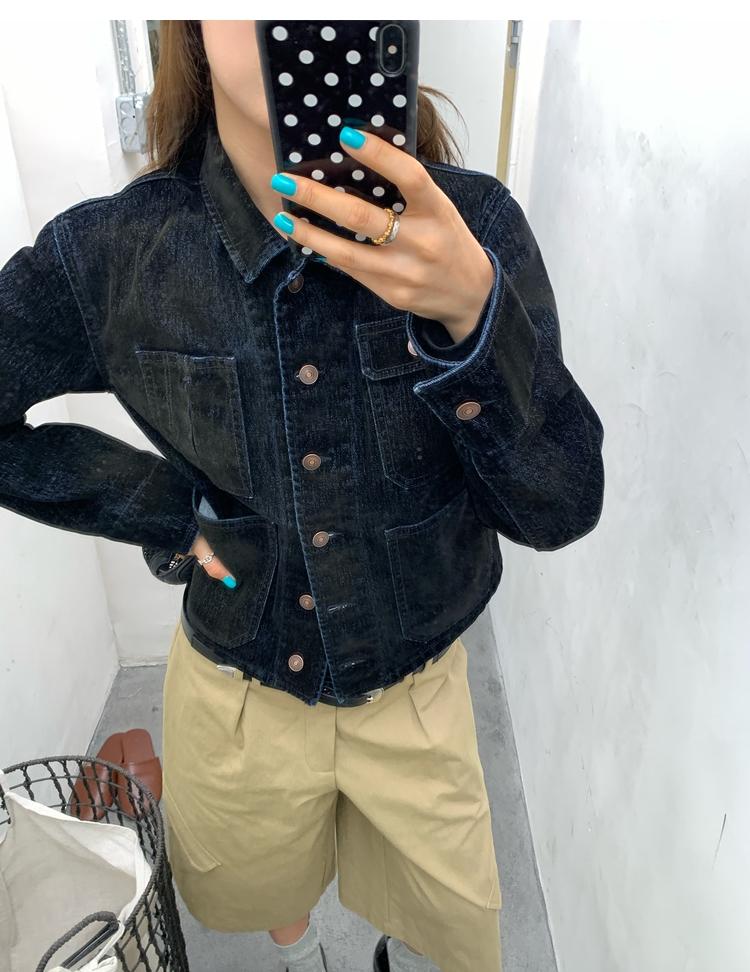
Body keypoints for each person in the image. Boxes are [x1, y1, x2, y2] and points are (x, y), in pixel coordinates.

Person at [0, 19, 605, 972]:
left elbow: (562, 505)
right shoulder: (115, 255)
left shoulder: (476, 230)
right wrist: (167, 510)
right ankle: (305, 951)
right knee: (266, 897)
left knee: (449, 931)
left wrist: (471, 316)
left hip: (418, 693)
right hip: (238, 701)